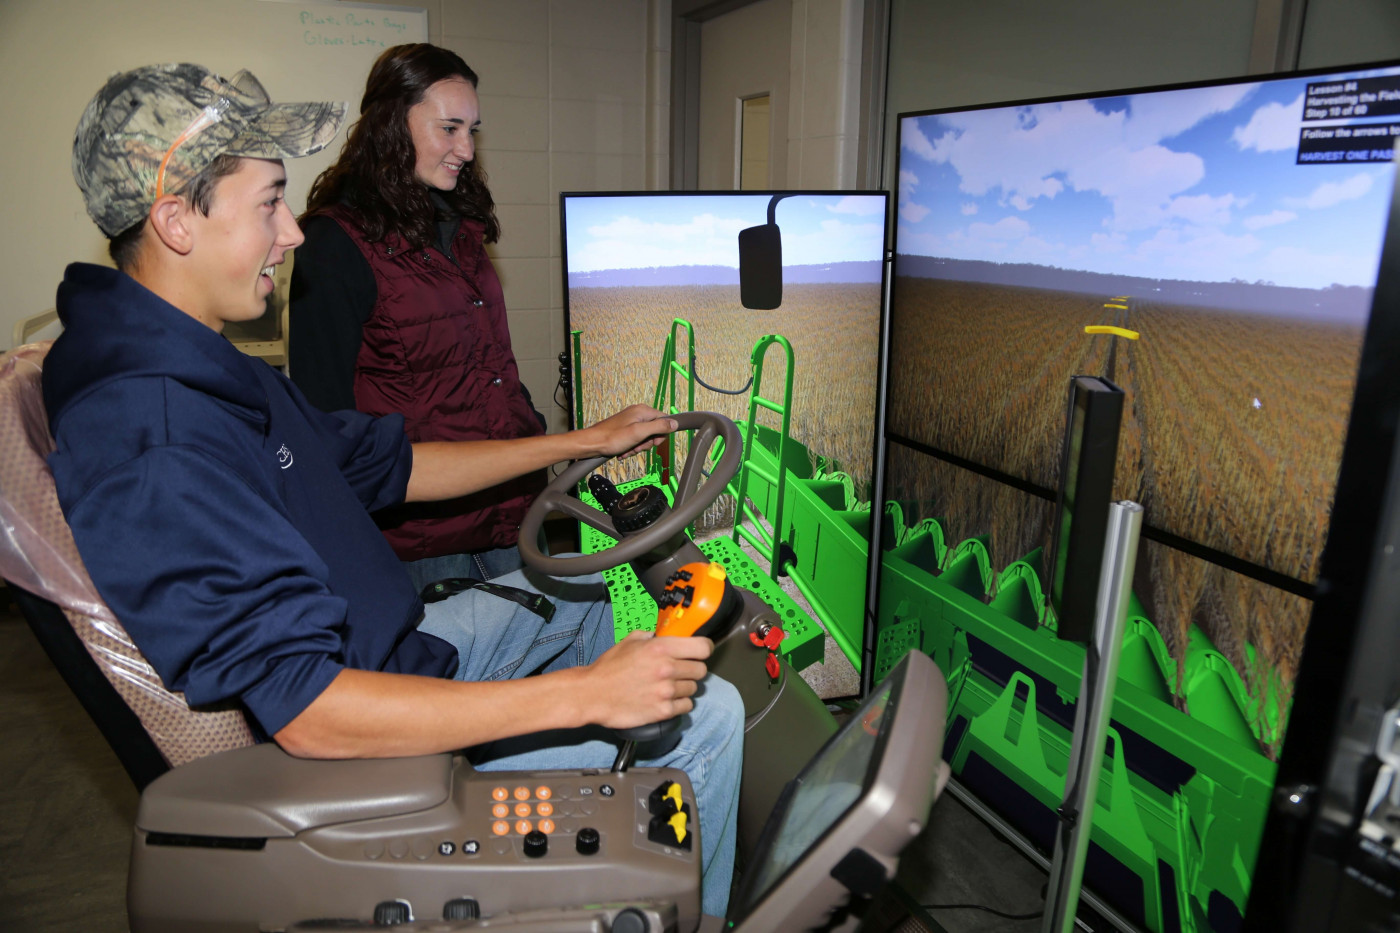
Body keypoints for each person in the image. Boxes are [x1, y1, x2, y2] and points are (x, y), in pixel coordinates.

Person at [46, 63, 741, 917]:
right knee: (710, 716)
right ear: (175, 223)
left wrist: (581, 441)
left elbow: (393, 462)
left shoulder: (199, 359)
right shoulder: (156, 428)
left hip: (398, 644)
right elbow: (307, 709)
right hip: (368, 745)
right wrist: (590, 696)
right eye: (268, 202)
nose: (292, 232)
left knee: (594, 593)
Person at [290, 44, 542, 593]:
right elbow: (324, 420)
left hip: (508, 510)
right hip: (420, 542)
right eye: (449, 128)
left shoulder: (463, 226)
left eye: (473, 130)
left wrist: (526, 424)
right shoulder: (334, 243)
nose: (467, 149)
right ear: (390, 127)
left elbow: (486, 364)